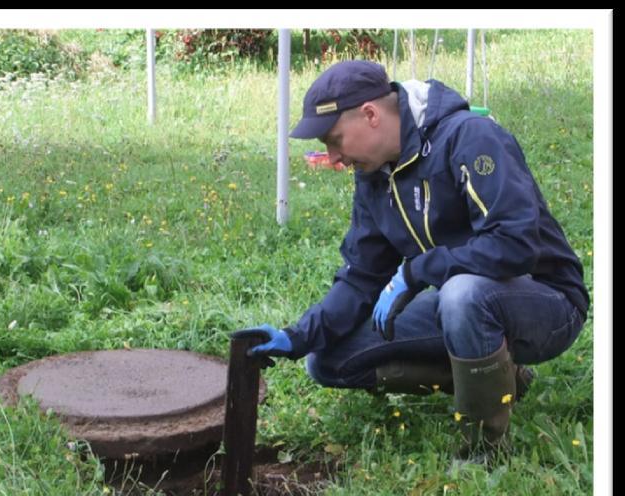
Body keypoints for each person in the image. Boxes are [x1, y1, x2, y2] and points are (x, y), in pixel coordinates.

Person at [242, 60, 588, 463]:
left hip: (547, 302)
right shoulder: (374, 175)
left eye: (335, 140)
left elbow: (515, 245)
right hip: (459, 305)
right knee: (328, 361)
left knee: (463, 293)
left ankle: (483, 452)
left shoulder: (469, 137)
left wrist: (417, 270)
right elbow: (360, 278)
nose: (334, 157)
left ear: (370, 114)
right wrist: (299, 335)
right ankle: (501, 376)